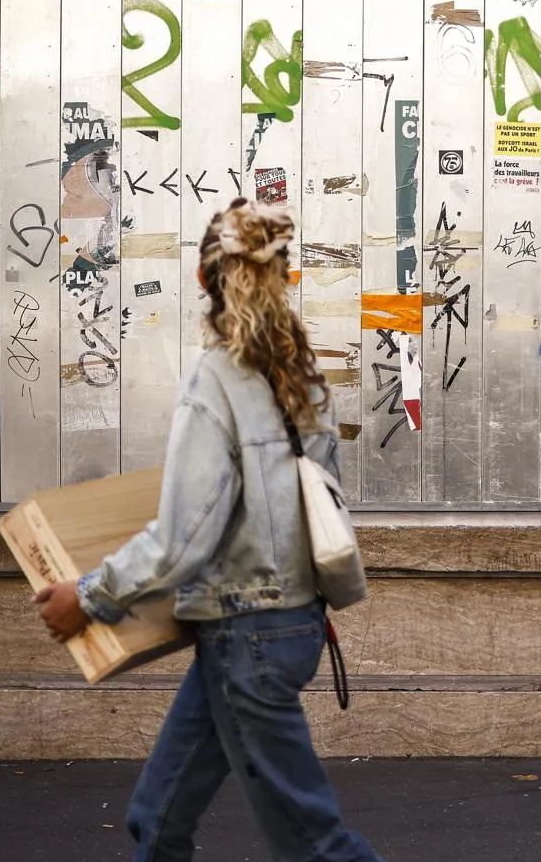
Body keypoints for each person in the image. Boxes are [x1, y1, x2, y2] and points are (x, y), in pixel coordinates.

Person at [32, 199, 382, 862]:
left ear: (203, 279)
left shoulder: (215, 379)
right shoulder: (302, 375)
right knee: (156, 821)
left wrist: (89, 594)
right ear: (284, 275)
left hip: (247, 635)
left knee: (315, 845)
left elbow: (183, 536)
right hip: (284, 625)